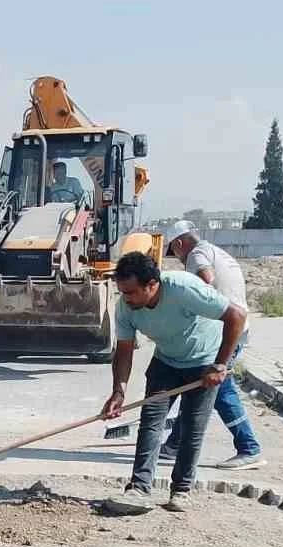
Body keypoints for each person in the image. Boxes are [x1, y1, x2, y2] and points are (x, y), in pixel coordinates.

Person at [100, 251, 248, 515]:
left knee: (191, 428)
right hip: (166, 362)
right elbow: (124, 350)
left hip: (203, 360)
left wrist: (220, 365)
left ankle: (181, 490)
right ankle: (139, 487)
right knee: (151, 423)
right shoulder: (126, 307)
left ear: (152, 285)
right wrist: (118, 392)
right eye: (122, 292)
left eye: (131, 292)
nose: (126, 298)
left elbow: (236, 316)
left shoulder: (183, 288)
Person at [157, 221, 263, 469]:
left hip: (225, 332)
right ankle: (174, 445)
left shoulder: (197, 254)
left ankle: (249, 447)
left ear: (179, 244)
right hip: (234, 329)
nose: (179, 260)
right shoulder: (218, 251)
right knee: (197, 387)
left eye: (175, 253)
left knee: (220, 389)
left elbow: (206, 280)